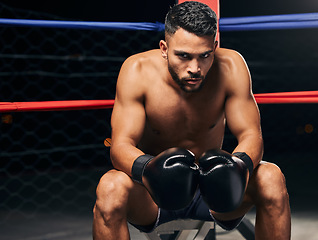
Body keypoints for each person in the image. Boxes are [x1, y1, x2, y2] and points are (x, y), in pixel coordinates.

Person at [93, 1, 291, 239]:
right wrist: (149, 169)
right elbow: (120, 146)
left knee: (272, 177)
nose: (195, 68)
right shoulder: (137, 70)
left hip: (213, 193)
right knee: (110, 187)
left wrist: (238, 167)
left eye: (205, 56)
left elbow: (251, 135)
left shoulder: (231, 67)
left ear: (215, 47)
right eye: (183, 56)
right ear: (164, 48)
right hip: (155, 194)